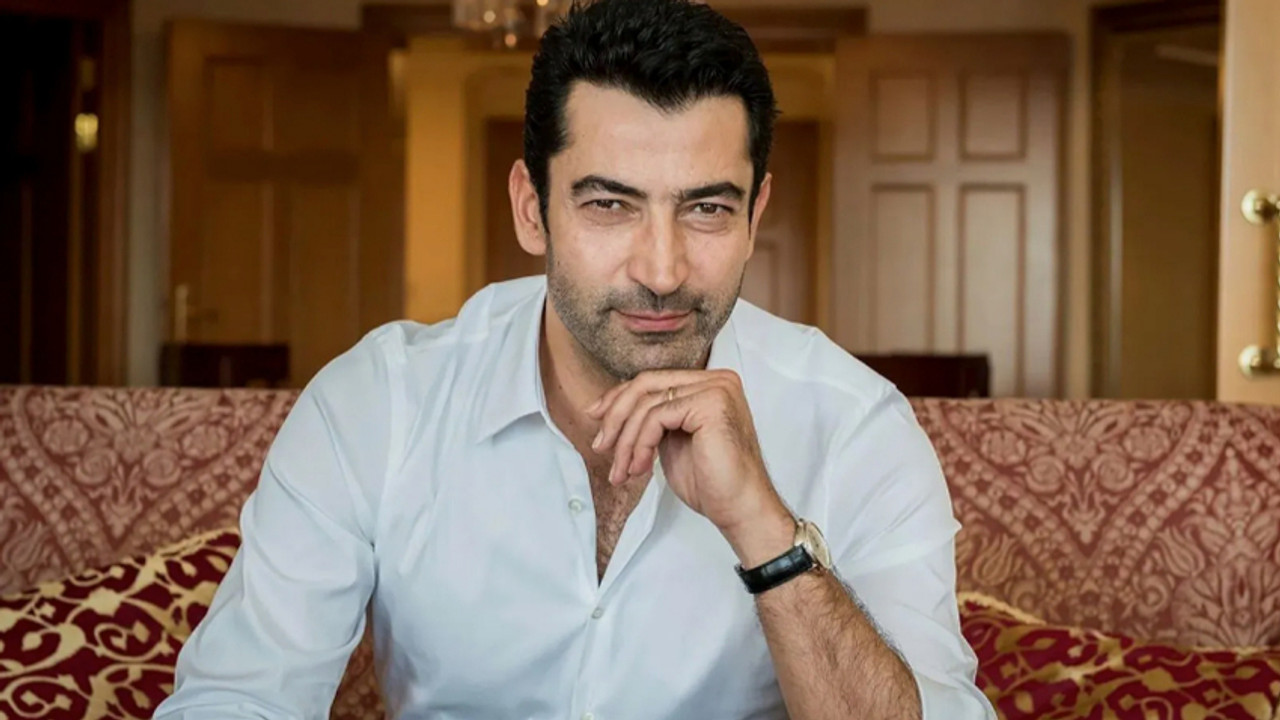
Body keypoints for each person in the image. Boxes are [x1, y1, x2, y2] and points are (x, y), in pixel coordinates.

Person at [155, 0, 994, 717]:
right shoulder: (378, 403)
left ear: (755, 216)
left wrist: (766, 532)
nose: (661, 270)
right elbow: (237, 698)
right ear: (532, 209)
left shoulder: (854, 424)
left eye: (706, 209)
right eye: (609, 204)